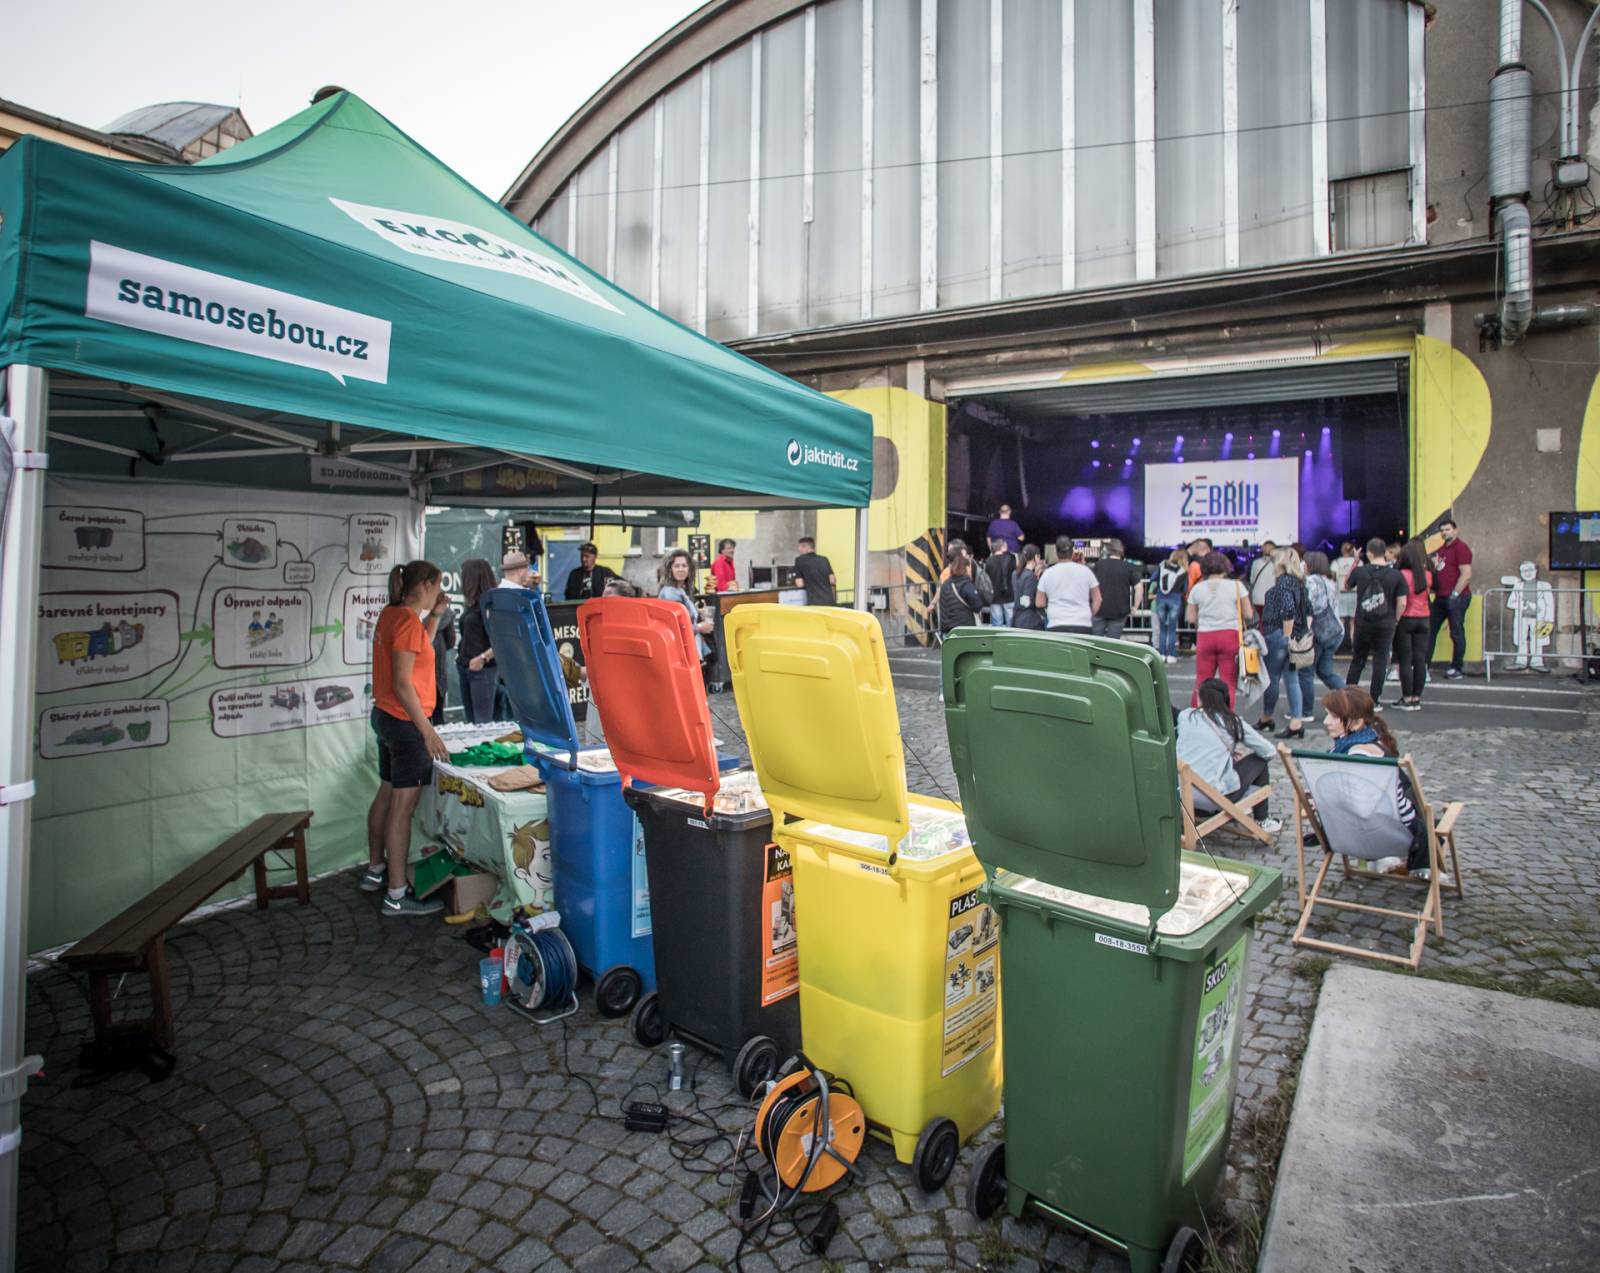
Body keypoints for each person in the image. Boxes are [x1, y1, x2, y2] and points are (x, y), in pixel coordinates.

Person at [361, 560, 451, 916]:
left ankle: (376, 870)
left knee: (385, 792)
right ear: (426, 585)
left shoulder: (394, 615)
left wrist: (437, 616)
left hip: (385, 719)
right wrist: (426, 730)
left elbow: (418, 651)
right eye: (437, 587)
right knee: (402, 808)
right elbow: (402, 683)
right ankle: (396, 895)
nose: (437, 594)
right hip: (404, 724)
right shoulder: (405, 621)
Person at [1320, 687, 1427, 875]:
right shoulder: (1371, 746)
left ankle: (1382, 858)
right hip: (1394, 832)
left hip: (1356, 834)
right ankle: (1384, 858)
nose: (1325, 721)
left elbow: (1357, 804)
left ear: (1356, 723)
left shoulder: (1356, 754)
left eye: (1333, 716)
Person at [1176, 678, 1282, 833]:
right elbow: (1269, 751)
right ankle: (1262, 819)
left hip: (1179, 794)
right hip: (1211, 800)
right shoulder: (1232, 722)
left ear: (1200, 697)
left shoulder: (1185, 716)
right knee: (1259, 760)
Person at [1343, 537, 1408, 704]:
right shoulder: (1396, 575)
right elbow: (1402, 602)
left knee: (1358, 660)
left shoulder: (1361, 571)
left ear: (1369, 553)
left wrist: (1356, 561)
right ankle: (1375, 699)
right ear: (1384, 552)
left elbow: (1346, 585)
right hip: (1386, 623)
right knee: (1380, 660)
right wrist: (1396, 619)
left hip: (1363, 622)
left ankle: (1349, 697)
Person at [1186, 551, 1252, 709]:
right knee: (1228, 681)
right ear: (1225, 567)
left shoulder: (1197, 589)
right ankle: (1227, 718)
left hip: (1205, 637)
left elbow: (1191, 618)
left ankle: (1197, 716)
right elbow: (1249, 614)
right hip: (1230, 636)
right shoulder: (1237, 586)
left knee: (1202, 680)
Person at [1258, 548, 1311, 738]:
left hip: (1278, 634)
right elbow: (1308, 611)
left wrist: (1286, 636)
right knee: (1292, 679)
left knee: (1271, 677)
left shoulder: (1282, 585)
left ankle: (1266, 717)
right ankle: (1296, 721)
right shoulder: (1300, 584)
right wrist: (1302, 633)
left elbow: (1288, 610)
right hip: (1297, 635)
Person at [1427, 518, 1473, 679]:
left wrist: (1454, 594)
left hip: (1457, 597)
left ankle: (1456, 668)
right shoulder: (1441, 550)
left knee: (1456, 632)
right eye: (1442, 530)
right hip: (1440, 597)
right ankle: (1424, 666)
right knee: (1429, 630)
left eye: (1447, 529)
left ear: (1455, 530)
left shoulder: (1461, 548)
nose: (1444, 532)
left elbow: (1466, 574)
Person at [455, 558, 499, 724]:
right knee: (472, 722)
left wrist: (483, 658)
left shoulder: (490, 606)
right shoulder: (473, 605)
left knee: (482, 722)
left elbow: (501, 640)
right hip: (466, 666)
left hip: (482, 670)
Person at [1392, 540, 1433, 711]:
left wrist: (1396, 619)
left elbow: (1400, 601)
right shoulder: (1427, 574)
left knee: (1405, 661)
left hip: (1406, 618)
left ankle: (1407, 697)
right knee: (1420, 659)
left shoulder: (1401, 575)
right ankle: (1416, 697)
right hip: (1424, 618)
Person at [1301, 551, 1348, 693]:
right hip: (1334, 631)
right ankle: (1350, 699)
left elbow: (1309, 607)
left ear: (1309, 565)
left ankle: (1306, 711)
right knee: (1325, 671)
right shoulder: (1330, 582)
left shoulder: (1311, 582)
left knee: (1305, 672)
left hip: (1318, 633)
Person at [1037, 535, 1101, 634]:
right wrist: (1089, 615)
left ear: (1056, 552)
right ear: (1072, 552)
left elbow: (1039, 602)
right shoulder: (1086, 571)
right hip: (1083, 624)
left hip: (1056, 624)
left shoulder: (1047, 573)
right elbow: (1098, 599)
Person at [659, 549, 713, 660]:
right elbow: (675, 627)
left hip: (688, 647)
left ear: (689, 569)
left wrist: (698, 613)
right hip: (680, 652)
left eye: (684, 566)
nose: (681, 569)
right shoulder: (670, 592)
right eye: (676, 566)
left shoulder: (681, 589)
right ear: (670, 569)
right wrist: (700, 627)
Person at [1090, 539, 1143, 641]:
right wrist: (1135, 607)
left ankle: (1096, 657)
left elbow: (1091, 586)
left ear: (1108, 550)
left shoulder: (1099, 565)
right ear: (1121, 551)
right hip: (1120, 610)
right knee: (1113, 643)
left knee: (1095, 642)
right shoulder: (1128, 566)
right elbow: (1139, 588)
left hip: (1099, 609)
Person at [1152, 548, 1189, 664]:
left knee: (1162, 628)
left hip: (1161, 599)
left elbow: (1152, 578)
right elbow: (1184, 588)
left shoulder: (1162, 566)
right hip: (1175, 600)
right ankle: (1171, 655)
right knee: (1172, 629)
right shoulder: (1183, 571)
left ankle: (1161, 654)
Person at [938, 546, 985, 634]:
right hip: (964, 630)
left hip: (947, 630)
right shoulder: (966, 585)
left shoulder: (945, 584)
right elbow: (977, 606)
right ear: (965, 568)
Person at [1011, 545, 1046, 630]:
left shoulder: (1015, 573)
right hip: (1029, 620)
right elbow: (1026, 601)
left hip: (1016, 617)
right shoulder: (1030, 576)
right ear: (1036, 557)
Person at [794, 536, 836, 606]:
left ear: (806, 547)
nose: (799, 549)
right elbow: (832, 580)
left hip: (814, 603)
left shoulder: (799, 560)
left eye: (800, 547)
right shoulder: (824, 559)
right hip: (829, 601)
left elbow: (800, 584)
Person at [984, 537, 1017, 626]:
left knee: (997, 624)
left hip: (994, 597)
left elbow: (987, 580)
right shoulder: (1011, 559)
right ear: (1002, 547)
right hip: (1009, 595)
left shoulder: (989, 561)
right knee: (1011, 623)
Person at [1332, 541, 1358, 647]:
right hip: (1355, 594)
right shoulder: (1357, 562)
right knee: (1353, 622)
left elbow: (1333, 577)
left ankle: (1338, 645)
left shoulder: (1336, 562)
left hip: (1341, 594)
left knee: (1340, 621)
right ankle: (1354, 645)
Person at [1248, 541, 1279, 613]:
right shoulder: (1278, 564)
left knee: (1259, 621)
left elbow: (1252, 580)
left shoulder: (1255, 563)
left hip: (1257, 598)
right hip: (1273, 598)